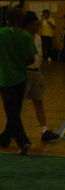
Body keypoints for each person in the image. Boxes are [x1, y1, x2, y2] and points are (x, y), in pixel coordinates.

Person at [0, 7, 37, 154]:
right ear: (20, 20)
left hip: (5, 79)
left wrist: (6, 60)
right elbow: (31, 59)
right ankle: (5, 138)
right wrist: (19, 63)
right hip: (21, 78)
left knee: (12, 112)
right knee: (14, 111)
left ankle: (23, 142)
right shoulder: (26, 36)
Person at [24, 12, 59, 142]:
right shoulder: (23, 37)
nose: (37, 27)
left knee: (38, 102)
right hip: (25, 72)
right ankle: (12, 129)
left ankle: (44, 130)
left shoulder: (38, 38)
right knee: (18, 105)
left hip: (37, 72)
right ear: (27, 25)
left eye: (38, 25)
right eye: (34, 25)